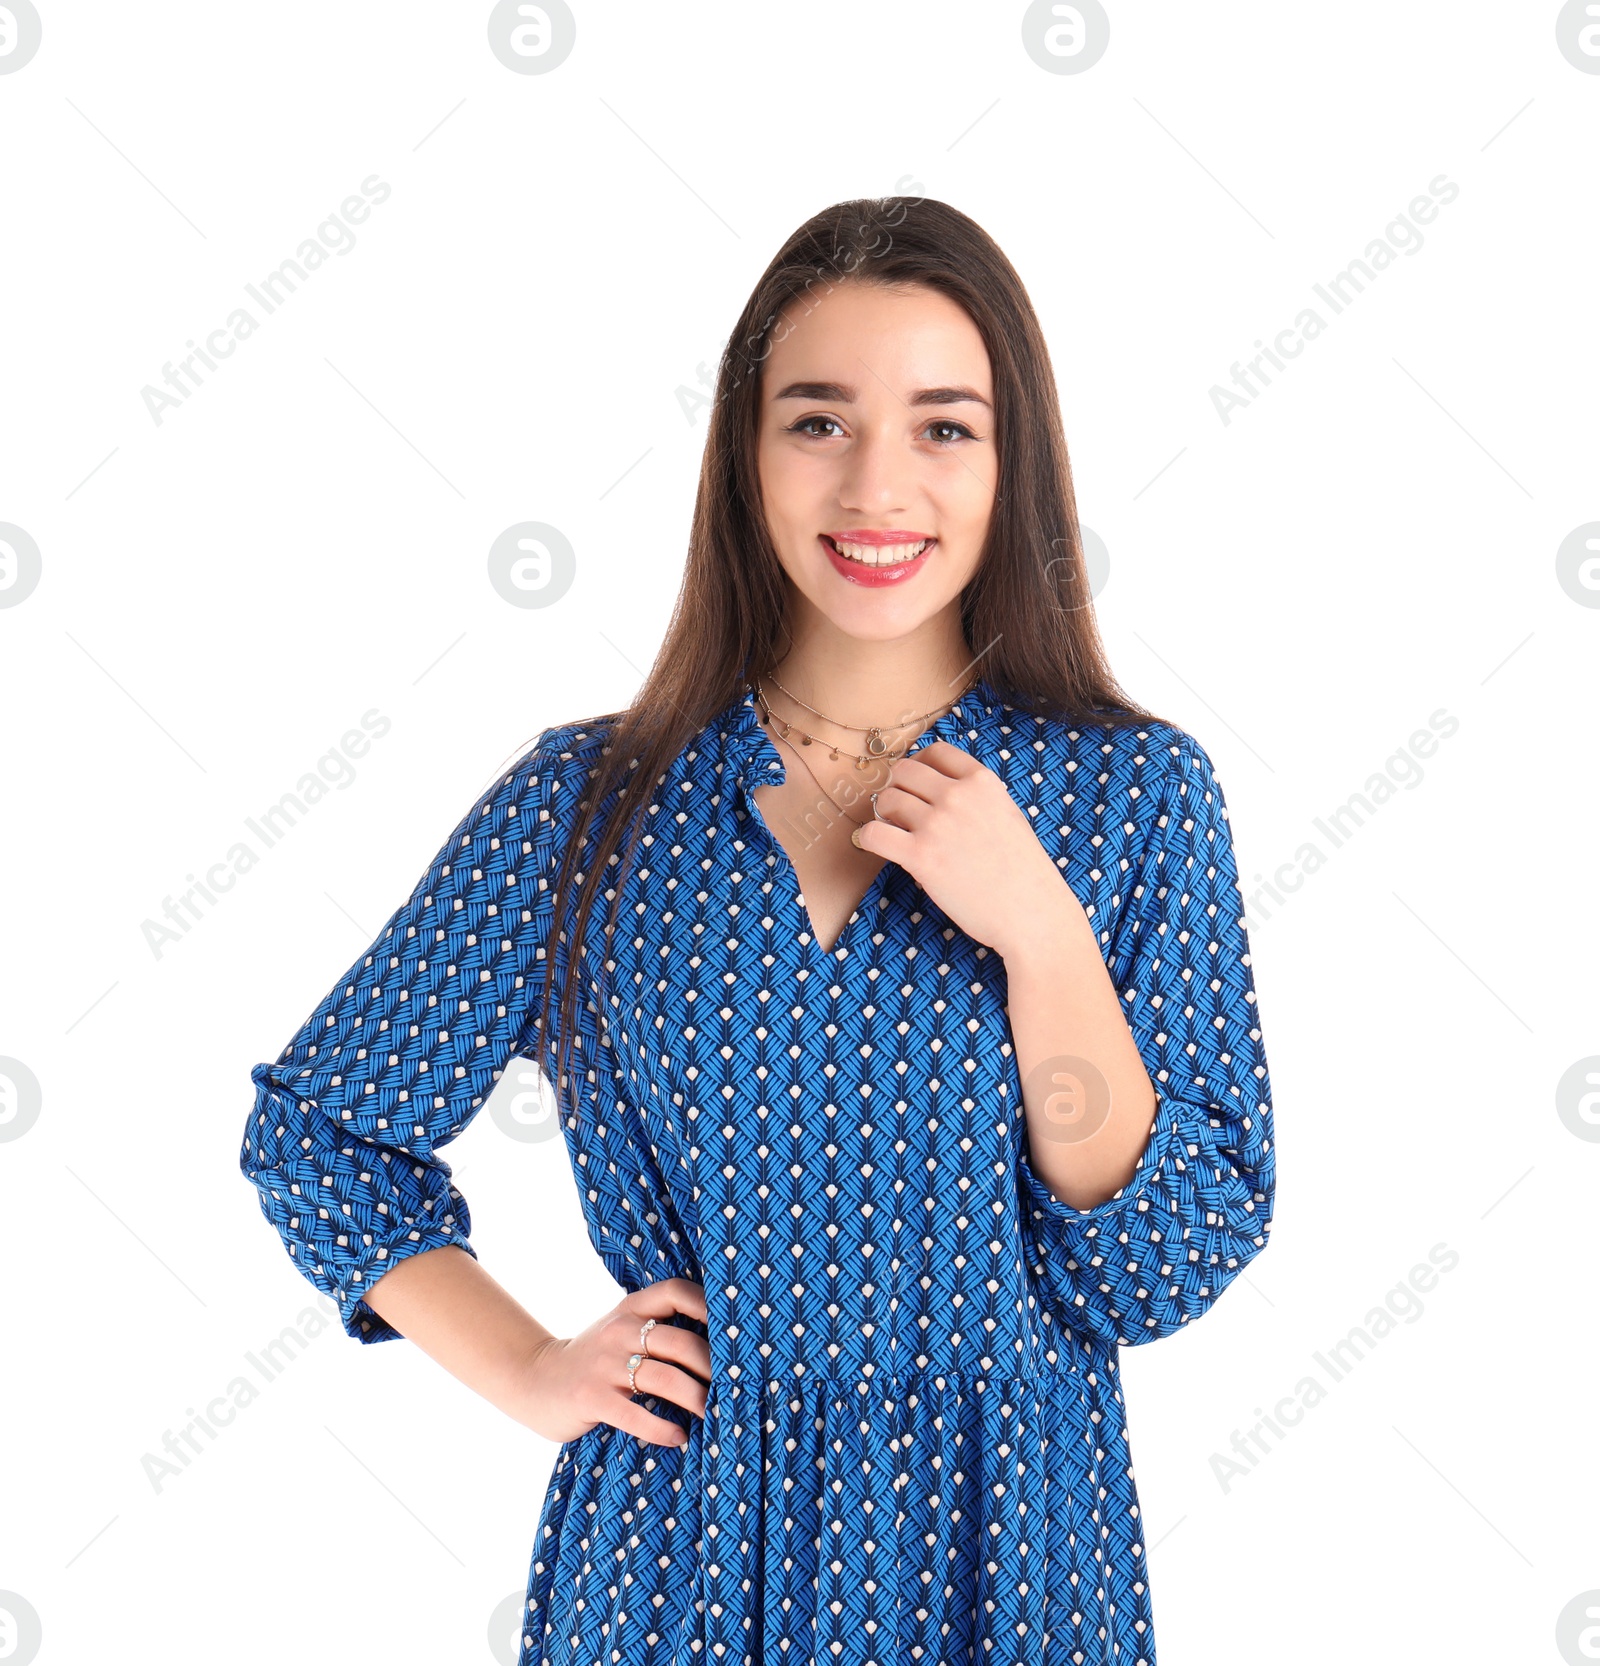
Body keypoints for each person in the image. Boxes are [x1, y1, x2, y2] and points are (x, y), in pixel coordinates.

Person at [240, 194, 1276, 1666]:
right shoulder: (586, 807)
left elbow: (1159, 1263)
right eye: (817, 421)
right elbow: (321, 1131)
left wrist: (1041, 932)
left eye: (943, 427)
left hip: (1014, 1550)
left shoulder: (1133, 797)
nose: (877, 487)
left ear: (1013, 464)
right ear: (745, 454)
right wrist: (534, 1364)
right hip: (679, 1553)